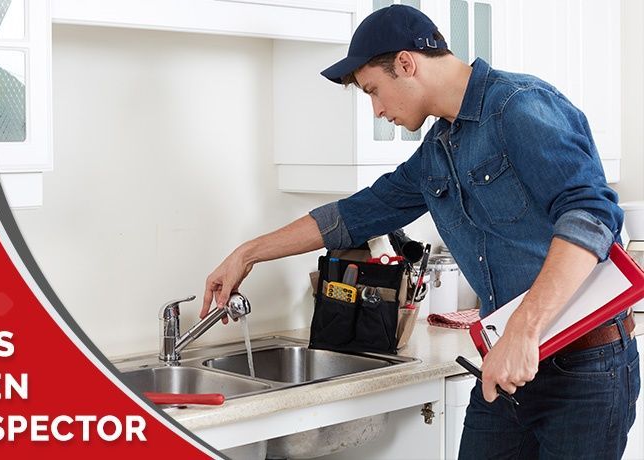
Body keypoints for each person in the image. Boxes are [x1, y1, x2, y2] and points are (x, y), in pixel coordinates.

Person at [201, 5, 638, 459]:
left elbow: (591, 215)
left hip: (585, 367)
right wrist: (248, 253)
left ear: (407, 64)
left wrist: (524, 330)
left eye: (374, 90)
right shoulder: (436, 152)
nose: (377, 109)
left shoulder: (519, 107)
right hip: (505, 365)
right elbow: (352, 216)